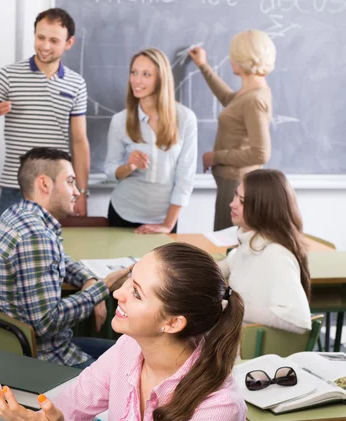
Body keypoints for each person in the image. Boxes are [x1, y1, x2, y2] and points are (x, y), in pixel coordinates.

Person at [0, 242, 247, 421]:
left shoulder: (219, 408)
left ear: (172, 323)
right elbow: (60, 413)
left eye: (136, 293)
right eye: (129, 279)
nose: (116, 293)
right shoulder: (129, 348)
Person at [0, 148, 130, 369]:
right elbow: (46, 322)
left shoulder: (16, 215)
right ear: (44, 184)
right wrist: (104, 287)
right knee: (133, 360)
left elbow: (58, 258)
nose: (77, 192)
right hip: (47, 359)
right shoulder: (36, 236)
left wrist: (88, 280)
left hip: (21, 352)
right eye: (70, 182)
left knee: (127, 353)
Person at [0, 8, 91, 218]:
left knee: (54, 250)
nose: (45, 45)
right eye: (40, 37)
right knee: (9, 250)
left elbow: (79, 141)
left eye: (54, 40)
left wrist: (83, 193)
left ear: (69, 43)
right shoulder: (7, 75)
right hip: (15, 186)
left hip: (58, 189)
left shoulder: (76, 84)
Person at [189, 29, 276, 230]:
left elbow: (261, 153)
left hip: (235, 186)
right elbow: (229, 100)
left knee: (226, 244)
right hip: (231, 183)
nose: (230, 59)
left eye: (233, 54)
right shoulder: (251, 92)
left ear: (243, 59)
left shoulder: (255, 100)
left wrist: (216, 156)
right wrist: (203, 66)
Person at [105, 48, 198, 234]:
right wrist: (128, 166)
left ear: (161, 79)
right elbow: (109, 170)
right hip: (123, 214)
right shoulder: (120, 121)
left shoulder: (185, 119)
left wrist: (168, 225)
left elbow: (185, 178)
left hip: (164, 220)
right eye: (134, 72)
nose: (137, 80)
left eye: (146, 74)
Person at [219, 169, 311, 333]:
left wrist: (232, 306)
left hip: (248, 353)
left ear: (263, 208)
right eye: (235, 196)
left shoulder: (276, 255)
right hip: (235, 341)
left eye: (241, 201)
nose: (232, 204)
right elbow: (223, 267)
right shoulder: (252, 243)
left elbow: (299, 321)